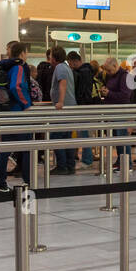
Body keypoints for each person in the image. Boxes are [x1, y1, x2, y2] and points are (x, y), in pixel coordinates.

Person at [0, 41, 32, 193]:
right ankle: (29, 180)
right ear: (22, 53)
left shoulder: (6, 66)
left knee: (5, 148)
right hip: (18, 113)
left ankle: (0, 182)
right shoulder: (19, 67)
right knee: (28, 147)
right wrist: (26, 103)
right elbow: (16, 86)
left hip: (7, 112)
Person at [49, 46, 78, 175]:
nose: (49, 59)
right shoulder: (66, 67)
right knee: (66, 137)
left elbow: (63, 84)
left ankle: (62, 165)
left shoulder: (60, 67)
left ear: (54, 58)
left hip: (63, 107)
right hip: (69, 106)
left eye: (50, 57)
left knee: (56, 136)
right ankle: (70, 165)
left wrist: (60, 102)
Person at [101, 56, 133, 169]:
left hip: (122, 112)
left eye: (109, 70)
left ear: (115, 65)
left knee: (122, 137)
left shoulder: (125, 76)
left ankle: (127, 164)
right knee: (118, 138)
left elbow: (125, 95)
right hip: (114, 112)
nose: (108, 72)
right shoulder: (112, 75)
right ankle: (121, 160)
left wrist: (109, 93)